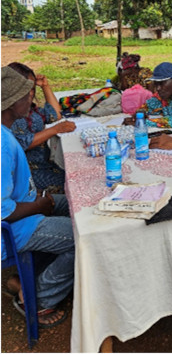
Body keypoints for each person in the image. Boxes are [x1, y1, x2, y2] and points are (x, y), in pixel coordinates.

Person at [1, 66, 75, 328]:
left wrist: (40, 201)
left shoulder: (6, 131)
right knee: (82, 237)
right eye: (26, 95)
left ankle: (27, 277)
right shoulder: (2, 143)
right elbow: (3, 212)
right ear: (11, 103)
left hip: (25, 209)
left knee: (76, 205)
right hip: (13, 229)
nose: (31, 100)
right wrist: (40, 205)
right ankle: (40, 297)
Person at [8, 62, 76, 192]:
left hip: (45, 165)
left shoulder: (28, 109)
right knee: (73, 184)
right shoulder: (10, 114)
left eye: (32, 88)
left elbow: (55, 115)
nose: (30, 93)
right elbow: (22, 142)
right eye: (26, 88)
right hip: (29, 173)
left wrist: (45, 86)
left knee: (75, 174)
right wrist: (55, 130)